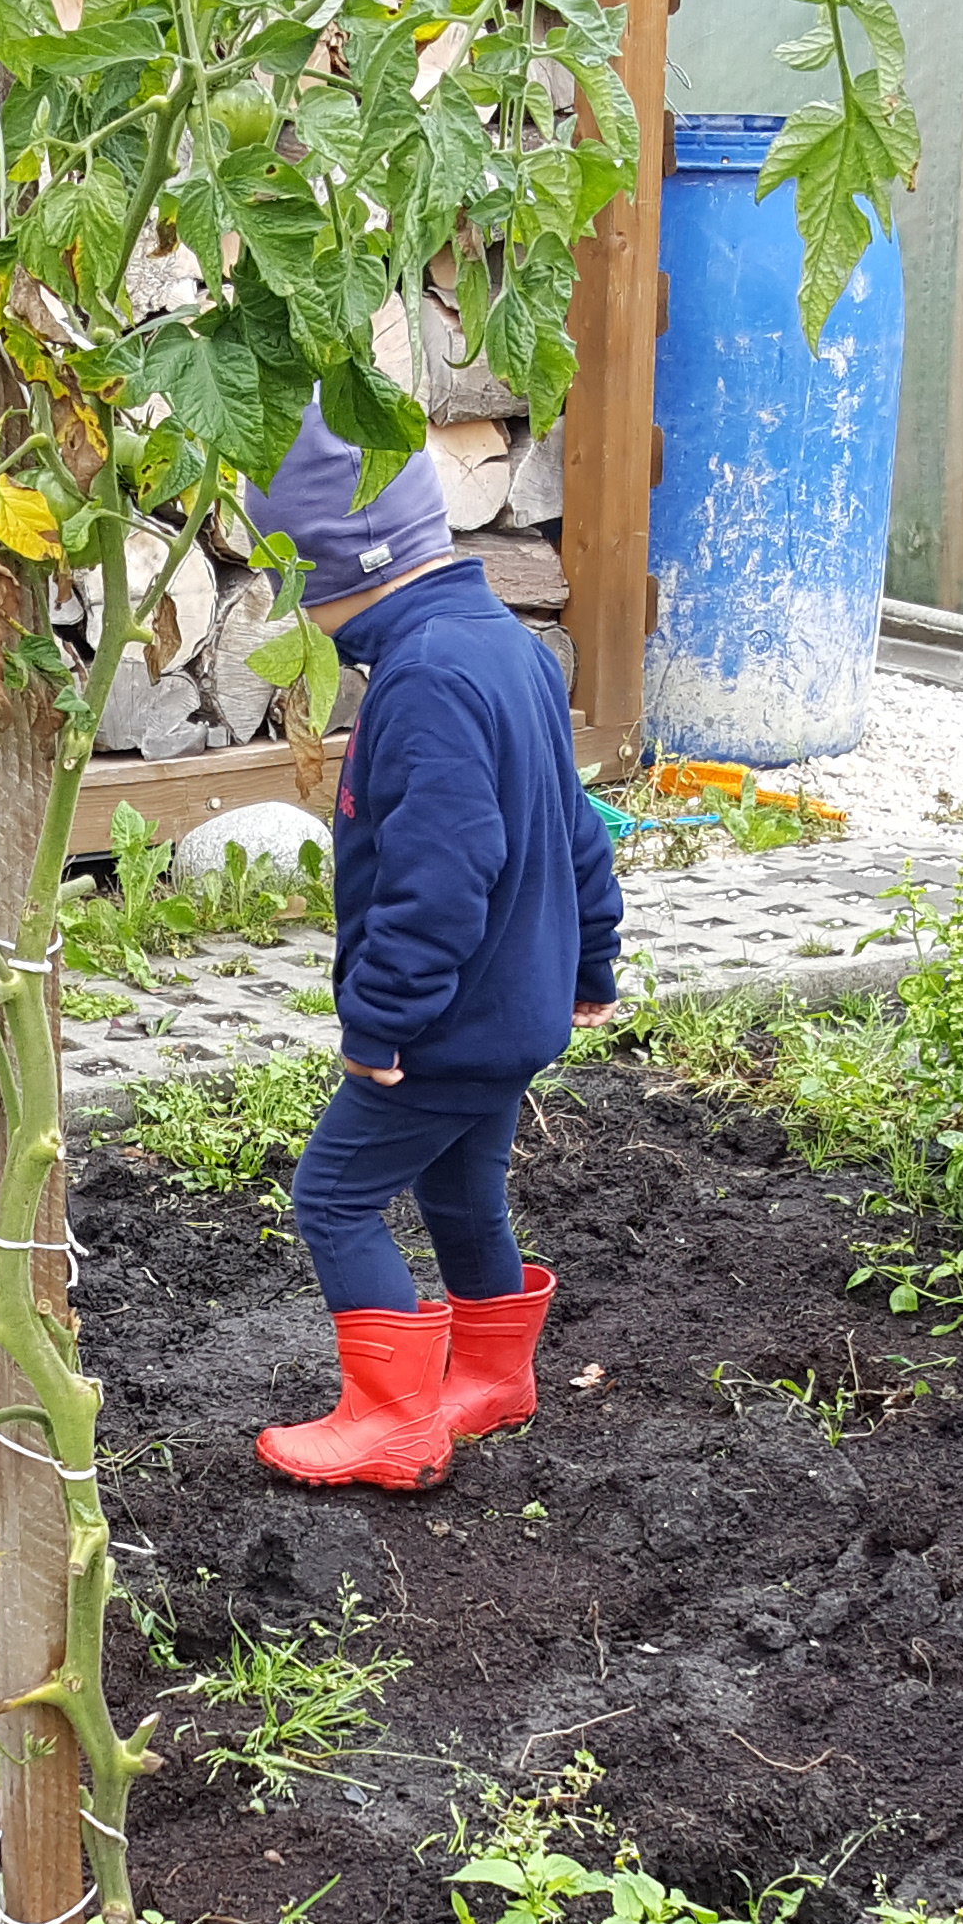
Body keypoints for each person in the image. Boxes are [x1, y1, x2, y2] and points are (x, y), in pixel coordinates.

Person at [237, 406, 623, 1492]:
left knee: (336, 1196)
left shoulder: (422, 683)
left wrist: (380, 1022)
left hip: (446, 1026)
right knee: (461, 1192)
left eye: (294, 586)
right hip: (515, 1011)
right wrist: (591, 962)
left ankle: (393, 1421)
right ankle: (491, 1382)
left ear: (327, 571)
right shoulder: (507, 646)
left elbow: (437, 877)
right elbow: (573, 827)